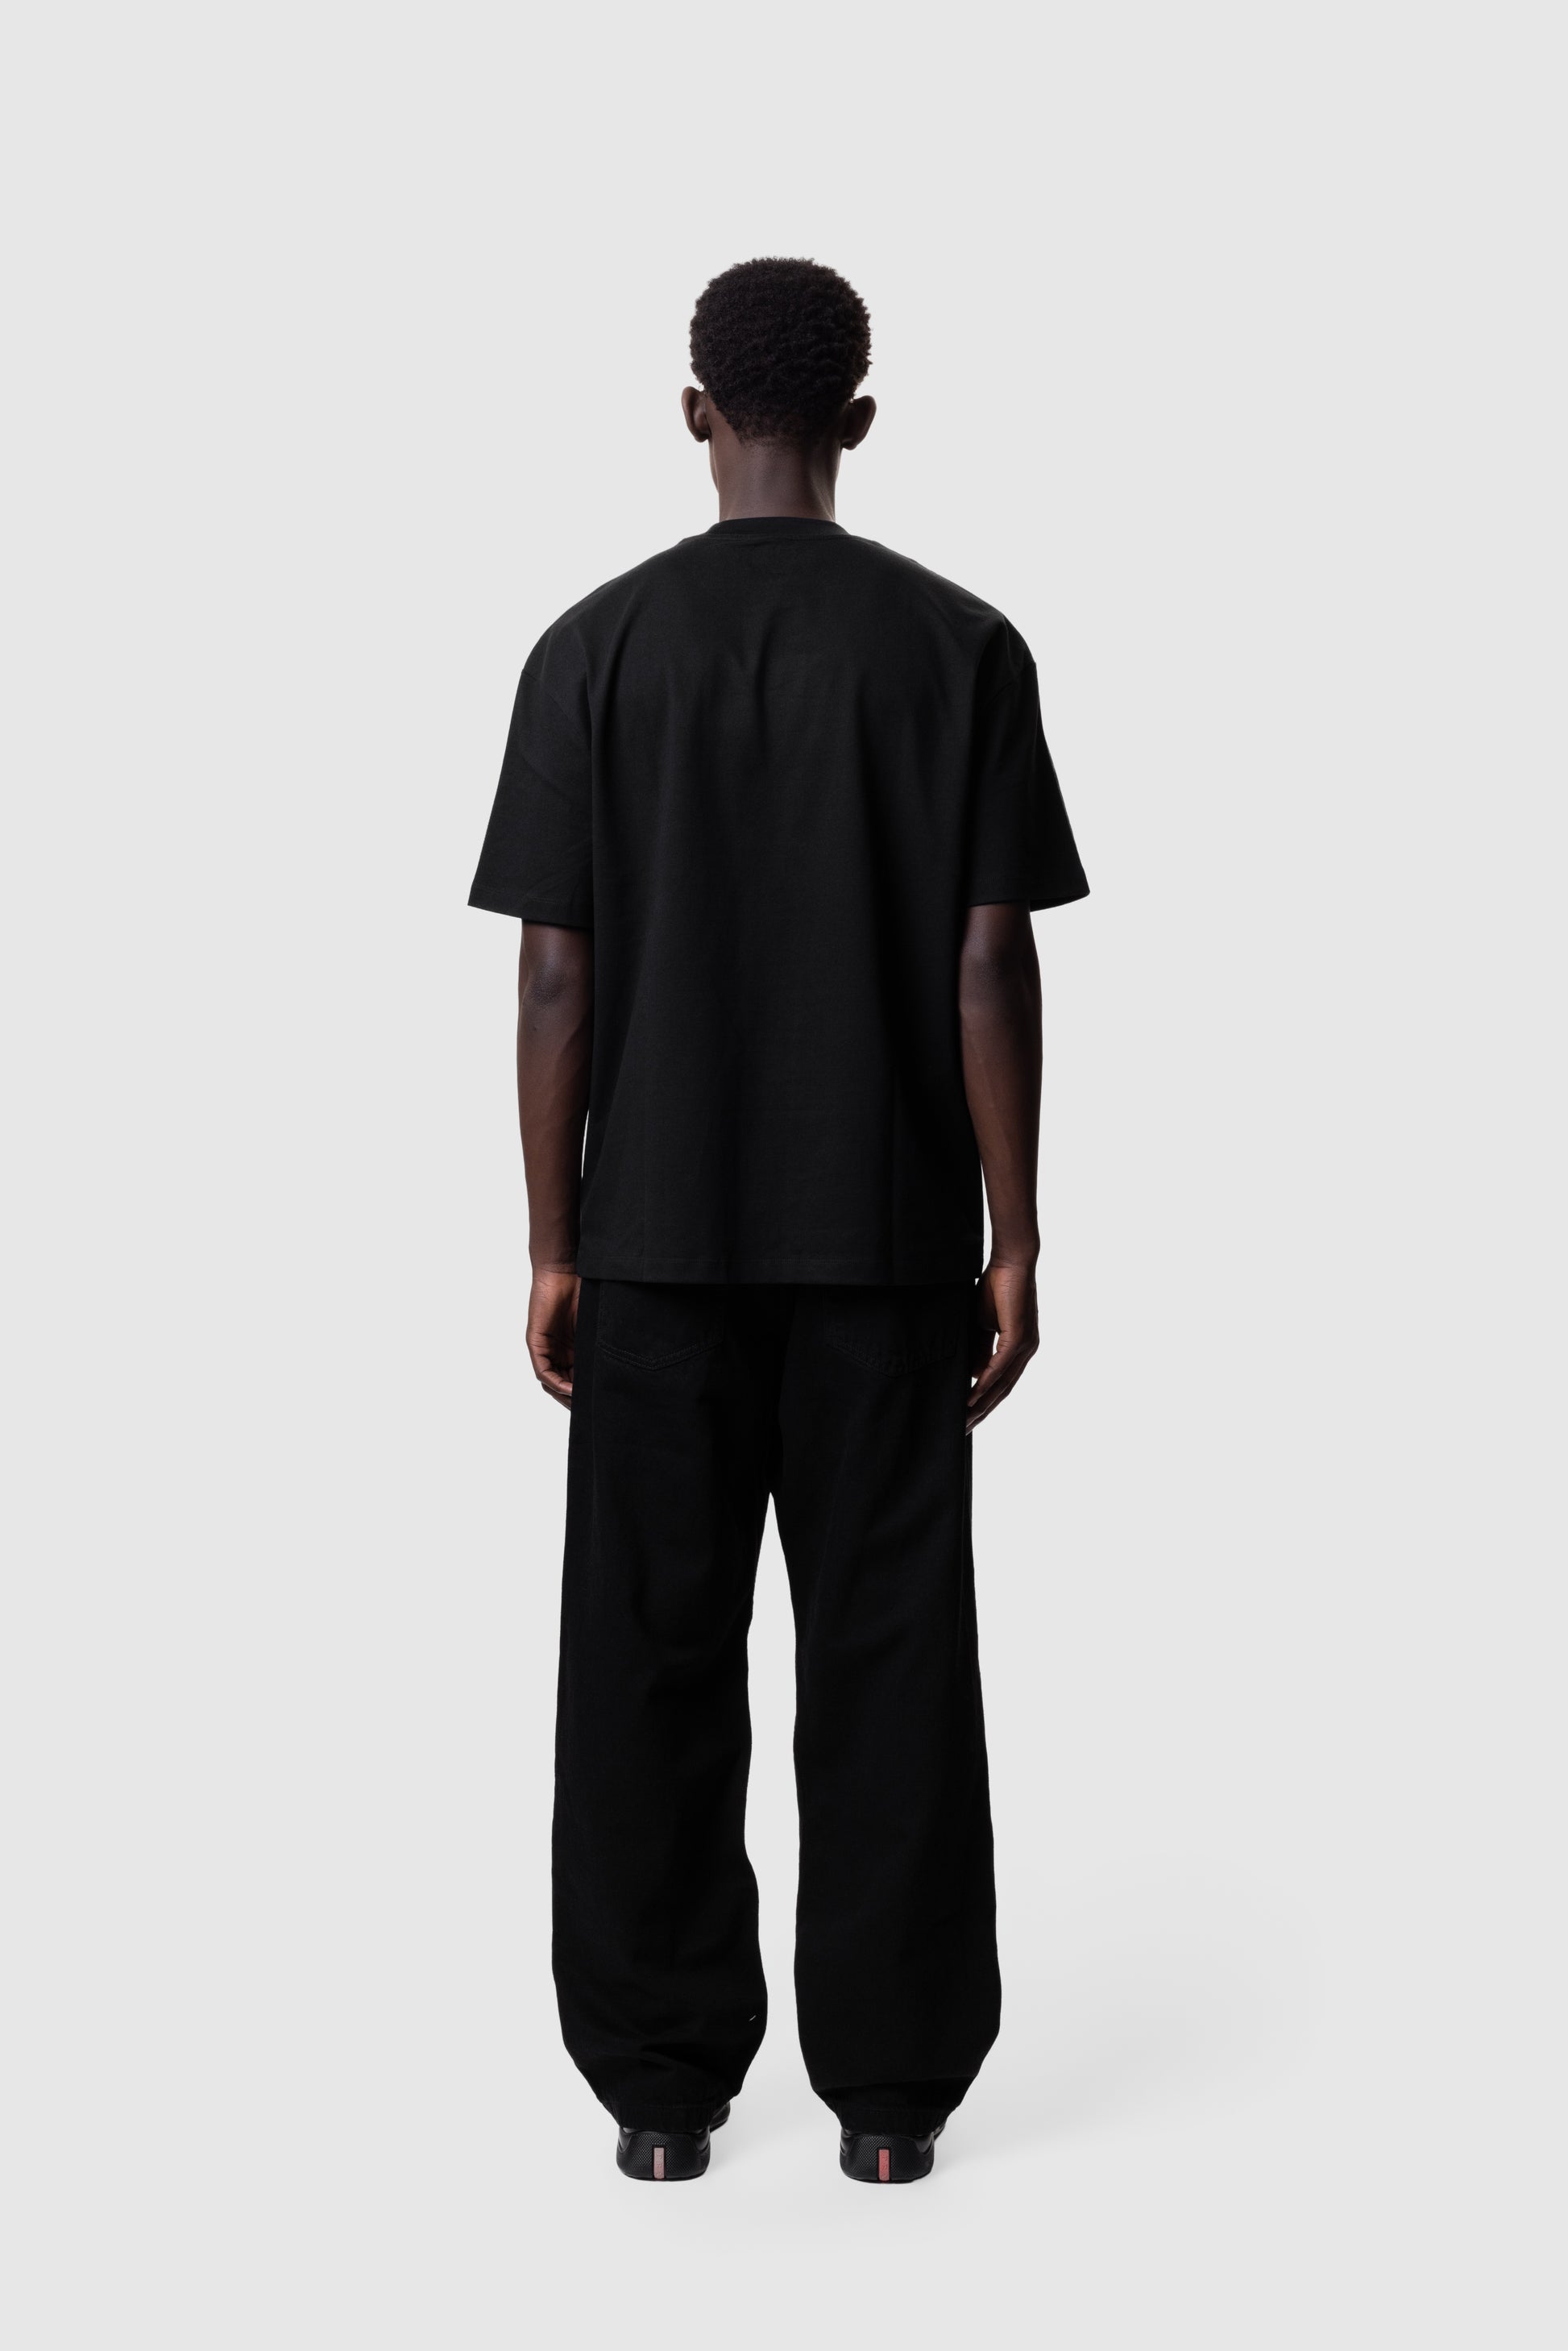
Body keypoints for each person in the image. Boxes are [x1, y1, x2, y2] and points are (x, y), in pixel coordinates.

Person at [468, 256, 1088, 2186]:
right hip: (887, 1246)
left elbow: (555, 976)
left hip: (652, 1246)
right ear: (860, 423)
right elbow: (988, 962)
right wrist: (1014, 1231)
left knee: (645, 1661)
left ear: (693, 412)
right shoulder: (961, 649)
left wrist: (553, 1239)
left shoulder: (591, 652)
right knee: (892, 1660)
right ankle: (892, 2102)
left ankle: (660, 2092)